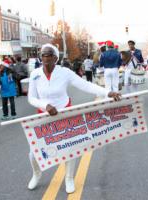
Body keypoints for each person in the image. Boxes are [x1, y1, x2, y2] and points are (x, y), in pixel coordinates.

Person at [27, 43, 121, 194]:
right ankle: (36, 174)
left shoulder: (65, 73)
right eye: (43, 54)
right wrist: (45, 105)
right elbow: (31, 98)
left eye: (48, 54)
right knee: (33, 153)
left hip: (64, 113)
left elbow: (85, 85)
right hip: (44, 115)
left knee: (69, 148)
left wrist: (108, 92)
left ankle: (69, 178)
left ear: (55, 58)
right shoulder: (35, 74)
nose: (45, 57)